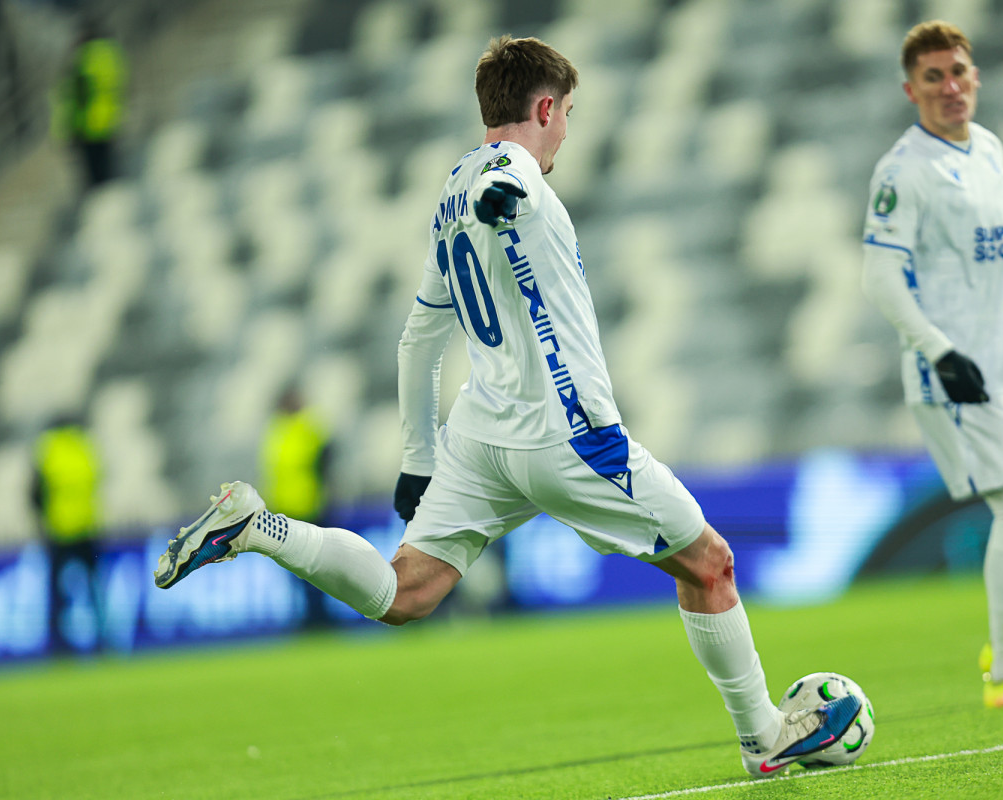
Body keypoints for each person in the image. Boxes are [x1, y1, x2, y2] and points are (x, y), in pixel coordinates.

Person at [155, 35, 859, 776]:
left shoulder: (451, 191)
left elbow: (418, 341)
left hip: (480, 436)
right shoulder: (508, 175)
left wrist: (419, 459)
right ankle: (762, 736)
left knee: (404, 592)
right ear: (545, 107)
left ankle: (258, 527)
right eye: (567, 113)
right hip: (566, 434)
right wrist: (510, 190)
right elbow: (512, 171)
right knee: (709, 565)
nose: (566, 132)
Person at [861, 20, 1003, 708]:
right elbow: (881, 276)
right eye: (933, 77)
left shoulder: (988, 147)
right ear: (911, 90)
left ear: (974, 76)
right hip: (956, 372)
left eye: (957, 71)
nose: (949, 86)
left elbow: (999, 255)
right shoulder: (904, 171)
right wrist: (938, 350)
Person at [260, 387, 333, 627]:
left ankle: (320, 615)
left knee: (315, 566)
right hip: (285, 511)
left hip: (309, 506)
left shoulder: (308, 426)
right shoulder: (278, 429)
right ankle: (309, 615)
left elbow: (326, 459)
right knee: (296, 570)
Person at [33, 418, 103, 654]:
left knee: (57, 593)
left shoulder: (48, 449)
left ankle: (57, 645)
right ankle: (102, 641)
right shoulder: (85, 446)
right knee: (94, 588)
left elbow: (35, 493)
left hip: (58, 530)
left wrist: (43, 522)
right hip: (87, 528)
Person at [50, 18, 127, 190]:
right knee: (108, 165)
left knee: (95, 172)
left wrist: (68, 127)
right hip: (110, 116)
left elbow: (79, 92)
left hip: (88, 122)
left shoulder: (84, 56)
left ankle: (102, 195)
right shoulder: (112, 52)